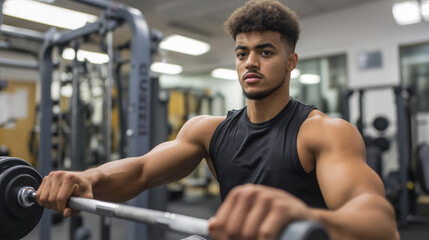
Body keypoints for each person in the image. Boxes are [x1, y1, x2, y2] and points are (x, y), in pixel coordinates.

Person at [36, 1, 399, 239]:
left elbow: (380, 223)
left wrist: (309, 220)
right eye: (242, 53)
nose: (250, 62)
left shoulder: (322, 133)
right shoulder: (208, 131)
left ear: (291, 61)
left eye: (266, 52)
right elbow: (143, 170)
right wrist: (87, 178)